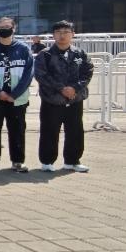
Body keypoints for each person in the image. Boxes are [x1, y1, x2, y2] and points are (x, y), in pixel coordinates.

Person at [35, 20, 94, 173]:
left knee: (75, 131)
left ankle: (72, 161)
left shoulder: (80, 53)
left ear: (73, 34)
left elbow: (87, 72)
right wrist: (61, 88)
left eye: (66, 32)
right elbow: (41, 75)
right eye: (58, 32)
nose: (62, 35)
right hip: (52, 99)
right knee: (49, 130)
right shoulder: (45, 54)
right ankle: (47, 161)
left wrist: (75, 88)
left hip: (74, 99)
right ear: (53, 35)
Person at [0, 16, 34, 172]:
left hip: (17, 99)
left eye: (7, 26)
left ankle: (18, 161)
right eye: (1, 27)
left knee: (17, 130)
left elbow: (29, 73)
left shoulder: (23, 49)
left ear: (14, 28)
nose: (4, 29)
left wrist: (15, 94)